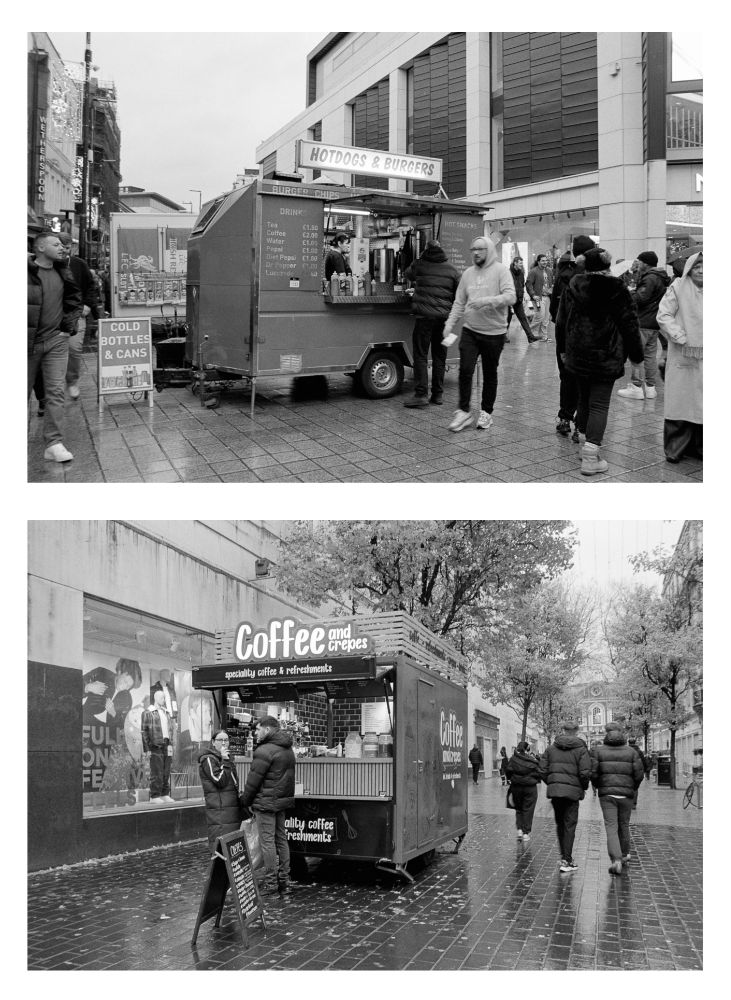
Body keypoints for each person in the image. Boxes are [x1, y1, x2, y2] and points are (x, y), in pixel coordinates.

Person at [556, 247, 643, 476]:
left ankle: (585, 444)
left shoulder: (575, 284)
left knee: (584, 400)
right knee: (599, 404)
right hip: (606, 356)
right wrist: (637, 357)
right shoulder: (617, 287)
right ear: (606, 265)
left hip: (577, 355)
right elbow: (629, 325)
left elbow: (561, 321)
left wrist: (562, 350)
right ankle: (591, 458)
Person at [442, 236, 515, 432]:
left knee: (490, 373)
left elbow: (511, 296)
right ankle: (463, 411)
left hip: (494, 332)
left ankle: (486, 412)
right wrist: (449, 324)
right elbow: (459, 302)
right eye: (473, 249)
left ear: (489, 250)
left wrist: (486, 301)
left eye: (480, 249)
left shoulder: (501, 271)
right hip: (470, 331)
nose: (476, 253)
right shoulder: (467, 274)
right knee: (465, 370)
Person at [28, 230, 82, 463]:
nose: (61, 247)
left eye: (62, 244)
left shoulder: (64, 271)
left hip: (56, 341)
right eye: (55, 244)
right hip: (27, 343)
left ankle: (54, 443)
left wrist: (67, 328)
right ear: (40, 248)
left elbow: (74, 300)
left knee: (55, 393)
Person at [239, 715, 296, 893]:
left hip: (265, 803)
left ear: (268, 730)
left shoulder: (264, 750)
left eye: (258, 729)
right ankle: (284, 880)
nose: (255, 732)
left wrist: (245, 801)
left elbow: (253, 781)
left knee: (267, 843)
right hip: (280, 802)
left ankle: (271, 883)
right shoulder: (288, 749)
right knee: (281, 840)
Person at [402, 239, 460, 407]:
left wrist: (419, 260)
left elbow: (407, 274)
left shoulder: (420, 264)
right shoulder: (453, 270)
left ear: (425, 250)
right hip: (443, 320)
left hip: (424, 318)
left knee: (420, 356)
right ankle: (438, 395)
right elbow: (458, 295)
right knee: (439, 357)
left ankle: (421, 395)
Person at [657, 251, 702, 463]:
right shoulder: (678, 286)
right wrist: (678, 335)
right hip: (682, 353)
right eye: (697, 266)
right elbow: (664, 315)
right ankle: (676, 448)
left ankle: (699, 447)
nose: (701, 270)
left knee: (704, 402)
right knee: (681, 400)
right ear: (689, 268)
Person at [549, 236, 595, 438]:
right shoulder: (595, 276)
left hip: (565, 336)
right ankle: (581, 425)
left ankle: (565, 419)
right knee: (586, 379)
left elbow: (554, 310)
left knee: (567, 377)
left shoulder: (563, 275)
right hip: (588, 337)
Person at [616, 251, 671, 401]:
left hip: (642, 322)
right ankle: (650, 388)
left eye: (639, 261)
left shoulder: (650, 278)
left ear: (645, 263)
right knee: (650, 357)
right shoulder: (659, 277)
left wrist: (629, 293)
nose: (637, 264)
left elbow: (640, 298)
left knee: (636, 356)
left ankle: (636, 387)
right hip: (654, 323)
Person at [591, 722, 644, 875]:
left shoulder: (599, 751)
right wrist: (632, 788)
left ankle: (616, 860)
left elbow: (594, 773)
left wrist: (599, 786)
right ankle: (625, 854)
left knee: (611, 827)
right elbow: (639, 774)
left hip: (607, 795)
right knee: (624, 824)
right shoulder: (631, 752)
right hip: (626, 795)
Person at [539, 720, 591, 874]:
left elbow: (542, 770)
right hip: (572, 794)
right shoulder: (581, 749)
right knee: (569, 825)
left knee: (560, 824)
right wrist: (583, 787)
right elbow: (585, 772)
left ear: (562, 730)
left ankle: (564, 857)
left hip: (556, 792)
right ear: (576, 731)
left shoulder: (550, 749)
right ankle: (567, 860)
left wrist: (552, 782)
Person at [58, 233, 102, 400]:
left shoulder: (79, 264)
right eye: (61, 247)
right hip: (51, 314)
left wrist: (87, 305)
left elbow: (91, 286)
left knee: (74, 349)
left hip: (75, 313)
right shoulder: (49, 264)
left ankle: (72, 381)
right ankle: (46, 393)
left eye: (68, 248)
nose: (64, 251)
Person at [198, 731, 244, 853]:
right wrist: (225, 760)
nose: (224, 743)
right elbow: (220, 781)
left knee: (232, 846)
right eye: (220, 740)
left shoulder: (226, 759)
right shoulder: (208, 759)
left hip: (230, 809)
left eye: (226, 740)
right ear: (213, 742)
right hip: (219, 810)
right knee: (221, 845)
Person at [141, 689, 175, 804]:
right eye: (162, 697)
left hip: (167, 744)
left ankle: (164, 793)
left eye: (164, 698)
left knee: (166, 770)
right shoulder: (148, 712)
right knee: (157, 771)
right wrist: (147, 748)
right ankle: (154, 795)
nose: (164, 700)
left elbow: (171, 729)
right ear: (155, 698)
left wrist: (171, 743)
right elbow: (144, 731)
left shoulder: (166, 712)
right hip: (155, 745)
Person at [506, 741, 541, 842]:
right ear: (527, 749)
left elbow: (508, 770)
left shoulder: (513, 759)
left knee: (519, 808)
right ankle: (526, 833)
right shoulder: (532, 760)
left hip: (516, 787)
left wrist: (510, 779)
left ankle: (520, 830)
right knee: (528, 809)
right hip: (530, 788)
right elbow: (538, 772)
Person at [506, 256, 540, 346]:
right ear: (515, 263)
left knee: (523, 318)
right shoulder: (507, 273)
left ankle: (530, 337)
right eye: (520, 263)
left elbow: (522, 285)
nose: (522, 265)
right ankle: (503, 336)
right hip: (509, 300)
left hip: (518, 300)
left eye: (522, 263)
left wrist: (523, 294)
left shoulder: (521, 273)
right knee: (507, 319)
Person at [526, 253, 551, 341]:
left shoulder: (549, 271)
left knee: (546, 318)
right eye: (543, 261)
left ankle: (544, 337)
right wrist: (533, 295)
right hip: (538, 298)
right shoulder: (533, 271)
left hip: (547, 297)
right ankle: (529, 333)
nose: (545, 262)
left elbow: (550, 284)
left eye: (546, 260)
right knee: (539, 316)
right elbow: (528, 285)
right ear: (538, 261)